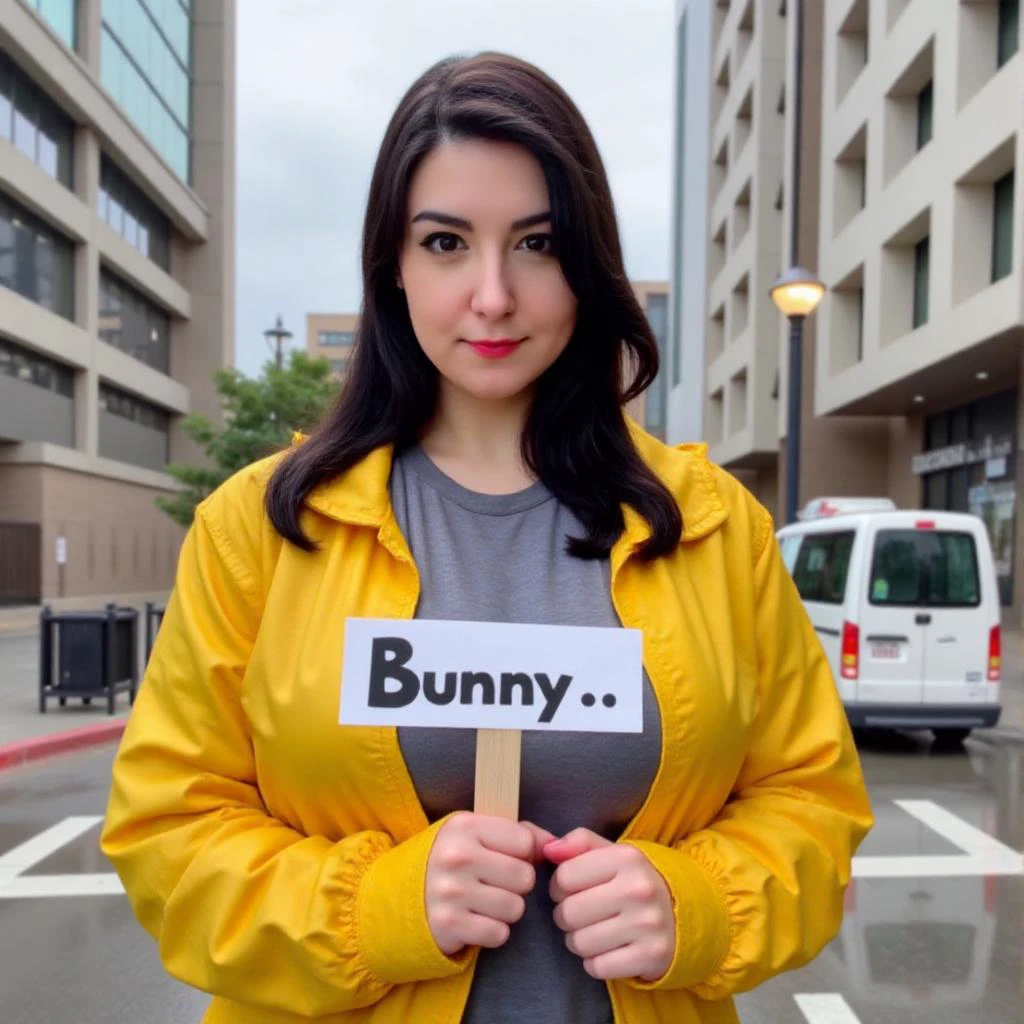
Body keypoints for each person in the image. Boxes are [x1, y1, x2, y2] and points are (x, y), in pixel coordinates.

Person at [101, 51, 874, 1024]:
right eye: (445, 242)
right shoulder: (261, 529)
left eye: (537, 243)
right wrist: (374, 908)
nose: (494, 295)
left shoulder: (715, 527)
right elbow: (166, 836)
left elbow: (810, 804)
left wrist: (702, 907)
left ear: (586, 261)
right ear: (392, 260)